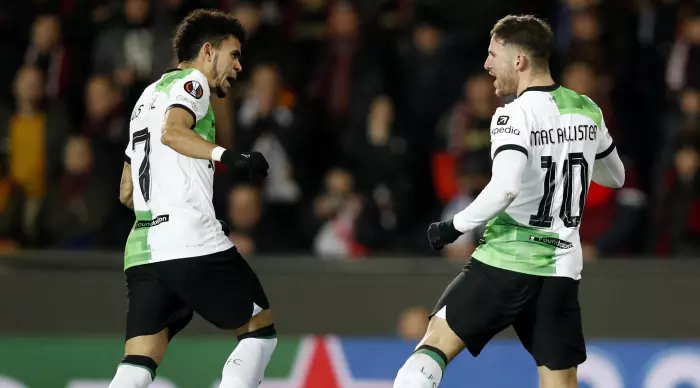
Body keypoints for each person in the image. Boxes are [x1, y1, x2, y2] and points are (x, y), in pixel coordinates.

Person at [392, 15, 625, 388]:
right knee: (560, 383)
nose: (487, 64)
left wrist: (453, 226)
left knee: (433, 345)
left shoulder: (512, 115)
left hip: (507, 260)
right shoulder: (587, 110)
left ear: (519, 60)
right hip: (561, 269)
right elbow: (616, 176)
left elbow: (505, 189)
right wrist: (570, 154)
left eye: (493, 54)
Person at [110, 9, 275, 388]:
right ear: (207, 52)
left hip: (144, 250)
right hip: (190, 240)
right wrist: (230, 156)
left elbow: (126, 190)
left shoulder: (146, 98)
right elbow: (172, 133)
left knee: (138, 362)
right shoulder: (193, 84)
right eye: (233, 54)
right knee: (259, 334)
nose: (238, 64)